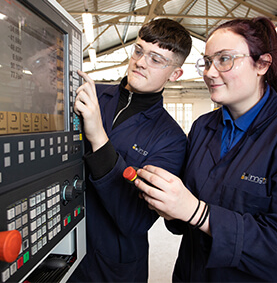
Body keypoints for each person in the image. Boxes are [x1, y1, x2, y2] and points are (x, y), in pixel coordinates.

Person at [135, 17, 277, 282]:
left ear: (262, 64)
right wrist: (166, 203)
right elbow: (182, 221)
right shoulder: (203, 128)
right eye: (207, 62)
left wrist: (196, 211)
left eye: (224, 59)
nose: (209, 72)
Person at [68, 18, 192, 282]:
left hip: (111, 265)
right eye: (138, 50)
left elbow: (136, 220)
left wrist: (98, 138)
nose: (141, 62)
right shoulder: (92, 96)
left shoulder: (171, 139)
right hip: (62, 246)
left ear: (175, 74)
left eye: (156, 59)